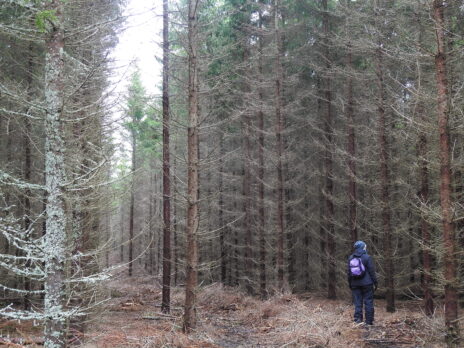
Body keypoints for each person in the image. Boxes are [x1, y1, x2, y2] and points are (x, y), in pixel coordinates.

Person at [347, 240, 378, 326]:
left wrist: (350, 284)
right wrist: (375, 283)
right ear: (363, 247)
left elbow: (349, 273)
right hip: (367, 284)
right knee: (368, 302)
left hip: (355, 284)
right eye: (365, 246)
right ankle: (369, 322)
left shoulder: (350, 258)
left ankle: (358, 320)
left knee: (357, 303)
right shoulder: (367, 257)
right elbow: (372, 272)